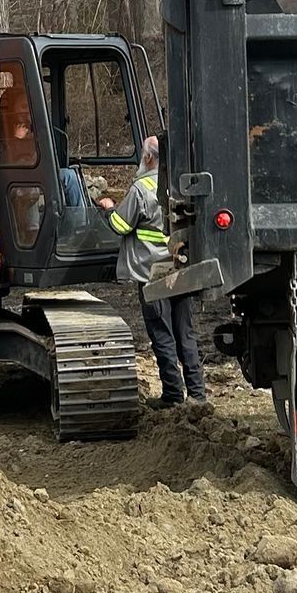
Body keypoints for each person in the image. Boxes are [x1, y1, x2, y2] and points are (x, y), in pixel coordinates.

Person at [97, 134, 205, 407]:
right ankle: (197, 394)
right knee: (185, 334)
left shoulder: (142, 188)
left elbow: (121, 226)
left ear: (148, 157)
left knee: (162, 334)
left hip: (151, 273)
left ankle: (172, 395)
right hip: (179, 268)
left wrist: (109, 208)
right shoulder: (180, 185)